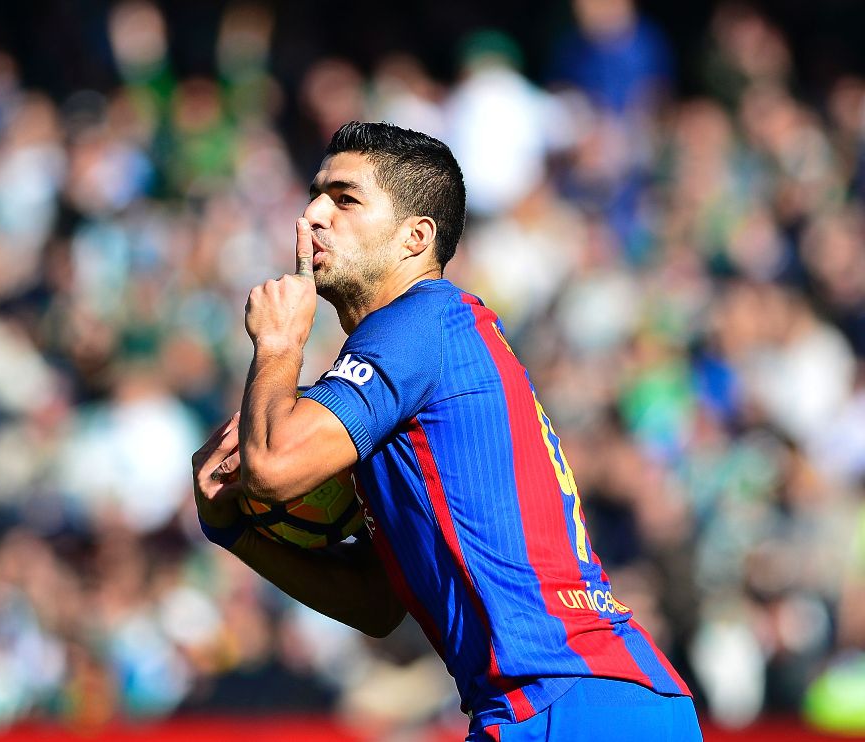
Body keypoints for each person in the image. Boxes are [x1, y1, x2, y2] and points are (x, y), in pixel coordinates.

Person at [191, 121, 702, 741]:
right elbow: (378, 604)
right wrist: (235, 531)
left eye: (345, 198)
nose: (313, 215)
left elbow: (272, 470)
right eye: (315, 194)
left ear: (415, 237)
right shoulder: (424, 350)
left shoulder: (416, 320)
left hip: (556, 701)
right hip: (609, 696)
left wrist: (278, 342)